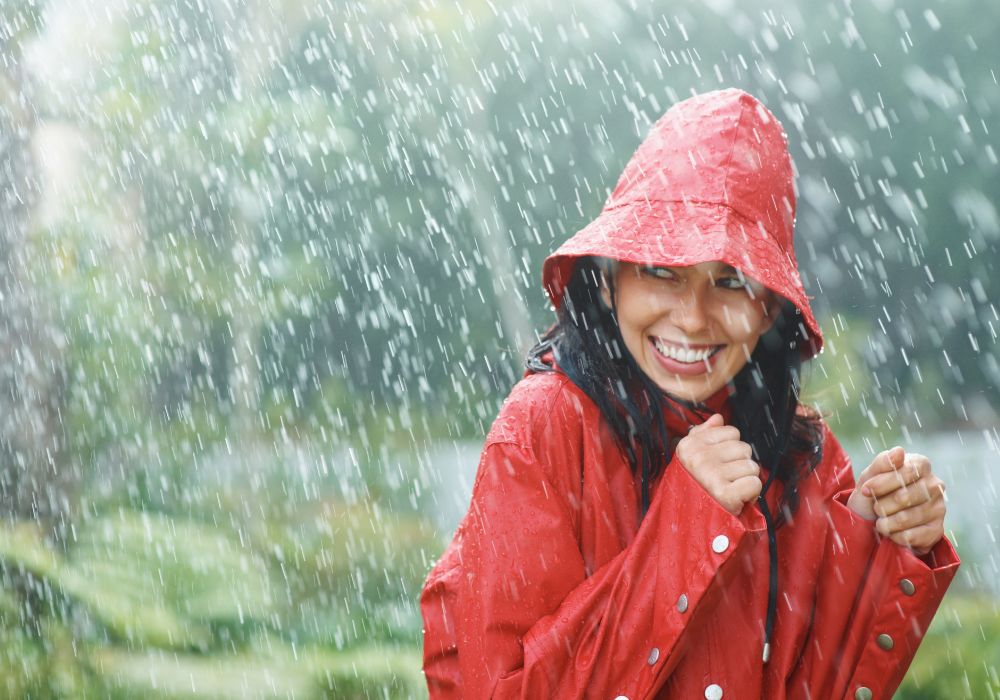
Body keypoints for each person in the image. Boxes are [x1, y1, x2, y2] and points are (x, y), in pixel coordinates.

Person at [420, 88, 959, 699]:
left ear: (768, 311)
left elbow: (812, 686)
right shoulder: (541, 431)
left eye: (729, 282)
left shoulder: (801, 451)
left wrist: (880, 539)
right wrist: (688, 525)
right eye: (661, 272)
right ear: (608, 281)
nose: (694, 318)